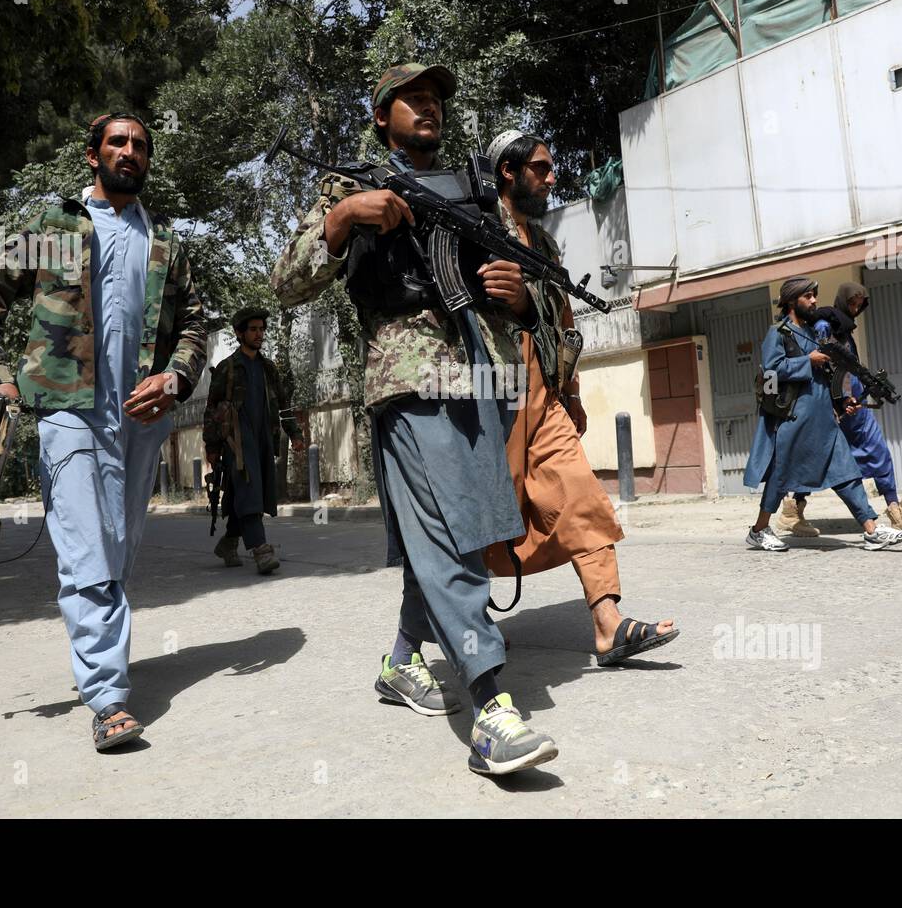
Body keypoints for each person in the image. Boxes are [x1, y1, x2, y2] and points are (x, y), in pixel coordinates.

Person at [271, 63, 559, 776]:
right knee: (449, 535)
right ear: (380, 116)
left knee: (463, 528)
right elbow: (286, 283)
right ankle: (490, 706)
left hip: (483, 377)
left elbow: (528, 290)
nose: (429, 108)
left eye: (436, 100)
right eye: (413, 99)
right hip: (411, 378)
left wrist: (518, 298)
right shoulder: (347, 187)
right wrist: (342, 220)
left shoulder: (475, 190)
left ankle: (402, 661)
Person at [0, 113, 208, 751]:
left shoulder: (166, 245)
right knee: (87, 551)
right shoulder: (51, 228)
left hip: (139, 418)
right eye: (118, 142)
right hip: (66, 409)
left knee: (116, 550)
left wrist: (175, 380)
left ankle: (103, 657)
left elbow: (197, 328)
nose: (130, 151)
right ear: (92, 155)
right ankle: (108, 696)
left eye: (140, 145)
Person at [481, 129, 678, 665]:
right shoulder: (476, 227)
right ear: (508, 172)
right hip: (490, 393)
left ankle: (607, 623)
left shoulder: (543, 245)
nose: (550, 179)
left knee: (580, 491)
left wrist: (570, 389)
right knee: (482, 511)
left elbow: (564, 321)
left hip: (543, 393)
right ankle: (444, 630)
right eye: (541, 169)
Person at [742, 277, 902, 552]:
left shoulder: (812, 332)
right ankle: (759, 530)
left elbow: (827, 375)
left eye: (814, 295)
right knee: (779, 476)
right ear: (791, 301)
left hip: (823, 417)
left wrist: (842, 401)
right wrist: (806, 361)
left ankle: (871, 529)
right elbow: (771, 372)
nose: (813, 301)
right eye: (807, 296)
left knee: (845, 472)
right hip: (793, 418)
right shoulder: (779, 332)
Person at [780, 282, 902, 537]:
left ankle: (895, 511)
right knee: (818, 462)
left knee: (879, 452)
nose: (855, 308)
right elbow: (825, 367)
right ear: (842, 301)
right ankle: (792, 511)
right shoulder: (824, 327)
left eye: (859, 305)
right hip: (833, 407)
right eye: (852, 303)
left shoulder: (845, 329)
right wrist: (840, 399)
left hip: (856, 407)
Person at [204, 307, 305, 571]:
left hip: (264, 439)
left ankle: (229, 542)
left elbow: (283, 405)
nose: (259, 334)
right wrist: (212, 447)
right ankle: (261, 550)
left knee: (252, 492)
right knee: (249, 488)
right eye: (253, 329)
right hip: (237, 441)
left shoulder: (268, 368)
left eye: (262, 329)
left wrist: (294, 433)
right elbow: (212, 409)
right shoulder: (228, 368)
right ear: (240, 333)